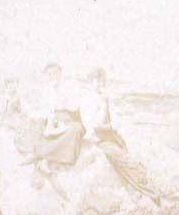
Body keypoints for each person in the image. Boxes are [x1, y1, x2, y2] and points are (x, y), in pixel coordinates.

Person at [81, 68, 168, 207]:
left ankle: (150, 191)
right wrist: (104, 109)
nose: (99, 84)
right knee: (125, 160)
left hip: (110, 136)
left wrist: (109, 120)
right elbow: (93, 125)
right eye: (96, 80)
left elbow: (116, 122)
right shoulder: (88, 101)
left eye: (102, 80)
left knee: (130, 156)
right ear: (89, 82)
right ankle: (153, 193)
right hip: (98, 139)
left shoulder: (105, 98)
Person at [28, 63, 85, 173]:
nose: (52, 76)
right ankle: (39, 155)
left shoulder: (69, 86)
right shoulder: (49, 90)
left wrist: (63, 100)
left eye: (55, 73)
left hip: (71, 118)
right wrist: (50, 123)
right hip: (55, 119)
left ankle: (45, 158)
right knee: (38, 126)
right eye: (49, 74)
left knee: (75, 130)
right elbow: (49, 110)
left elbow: (75, 107)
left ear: (60, 73)